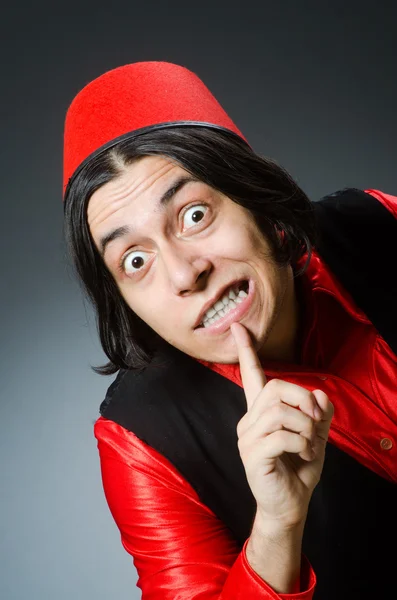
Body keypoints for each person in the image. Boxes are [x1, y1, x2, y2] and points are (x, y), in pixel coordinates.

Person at [62, 62, 397, 599]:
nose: (183, 273)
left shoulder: (379, 225)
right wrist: (276, 527)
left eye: (194, 215)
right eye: (134, 261)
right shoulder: (140, 438)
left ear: (257, 200)